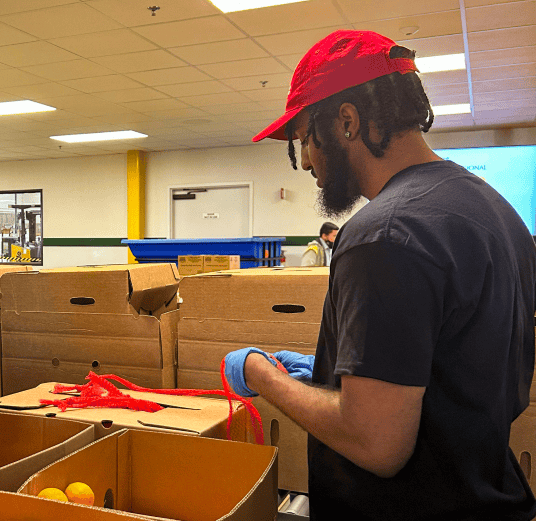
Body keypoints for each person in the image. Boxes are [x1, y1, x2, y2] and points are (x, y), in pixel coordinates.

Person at [224, 30, 536, 519]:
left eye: (306, 138)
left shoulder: (382, 235)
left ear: (347, 121)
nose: (305, 160)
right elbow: (453, 368)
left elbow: (376, 445)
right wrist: (334, 376)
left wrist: (260, 375)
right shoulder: (494, 209)